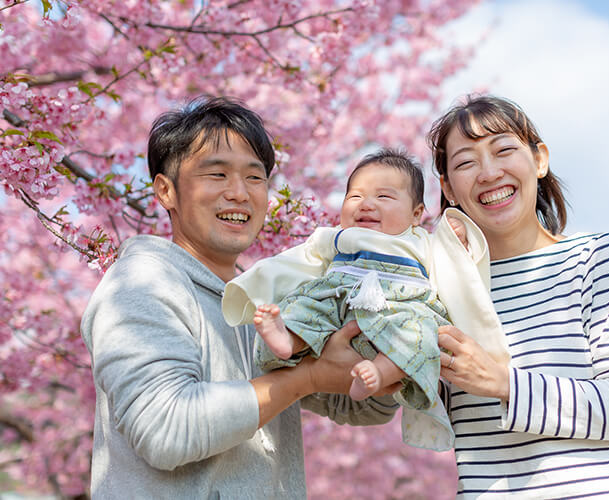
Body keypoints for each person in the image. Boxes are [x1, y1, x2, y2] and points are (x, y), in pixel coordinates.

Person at [79, 96, 399, 499]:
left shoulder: (265, 299)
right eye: (216, 175)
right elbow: (165, 429)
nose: (239, 193)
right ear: (166, 190)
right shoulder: (140, 282)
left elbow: (361, 407)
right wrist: (306, 377)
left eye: (255, 177)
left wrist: (389, 341)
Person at [429, 95, 609, 498]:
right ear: (447, 187)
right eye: (465, 162)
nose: (488, 173)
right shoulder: (441, 289)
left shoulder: (596, 257)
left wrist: (504, 384)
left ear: (539, 160)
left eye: (503, 150)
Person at [222, 148, 510, 451]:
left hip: (400, 310)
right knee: (307, 301)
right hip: (340, 299)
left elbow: (454, 259)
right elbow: (300, 260)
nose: (367, 205)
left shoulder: (422, 241)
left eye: (384, 197)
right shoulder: (336, 237)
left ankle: (380, 371)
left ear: (416, 214)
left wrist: (456, 234)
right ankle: (289, 338)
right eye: (355, 197)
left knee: (423, 333)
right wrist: (255, 288)